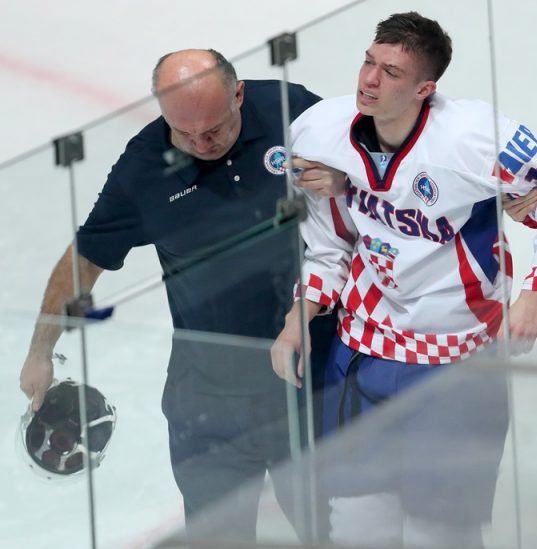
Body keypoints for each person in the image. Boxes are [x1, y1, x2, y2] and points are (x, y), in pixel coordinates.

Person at [271, 12, 537, 547]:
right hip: (362, 352)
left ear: (425, 89)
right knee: (356, 526)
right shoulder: (322, 132)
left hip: (456, 361)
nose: (369, 80)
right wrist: (299, 317)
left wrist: (532, 299)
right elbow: (330, 246)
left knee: (441, 534)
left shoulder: (475, 138)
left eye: (391, 73)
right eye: (369, 62)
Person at [18, 49, 343, 544]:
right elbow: (85, 258)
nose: (200, 144)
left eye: (213, 130)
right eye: (183, 133)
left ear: (238, 95)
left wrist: (345, 178)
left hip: (311, 373)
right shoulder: (144, 168)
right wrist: (41, 349)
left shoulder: (288, 107)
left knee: (329, 529)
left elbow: (375, 169)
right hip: (211, 396)